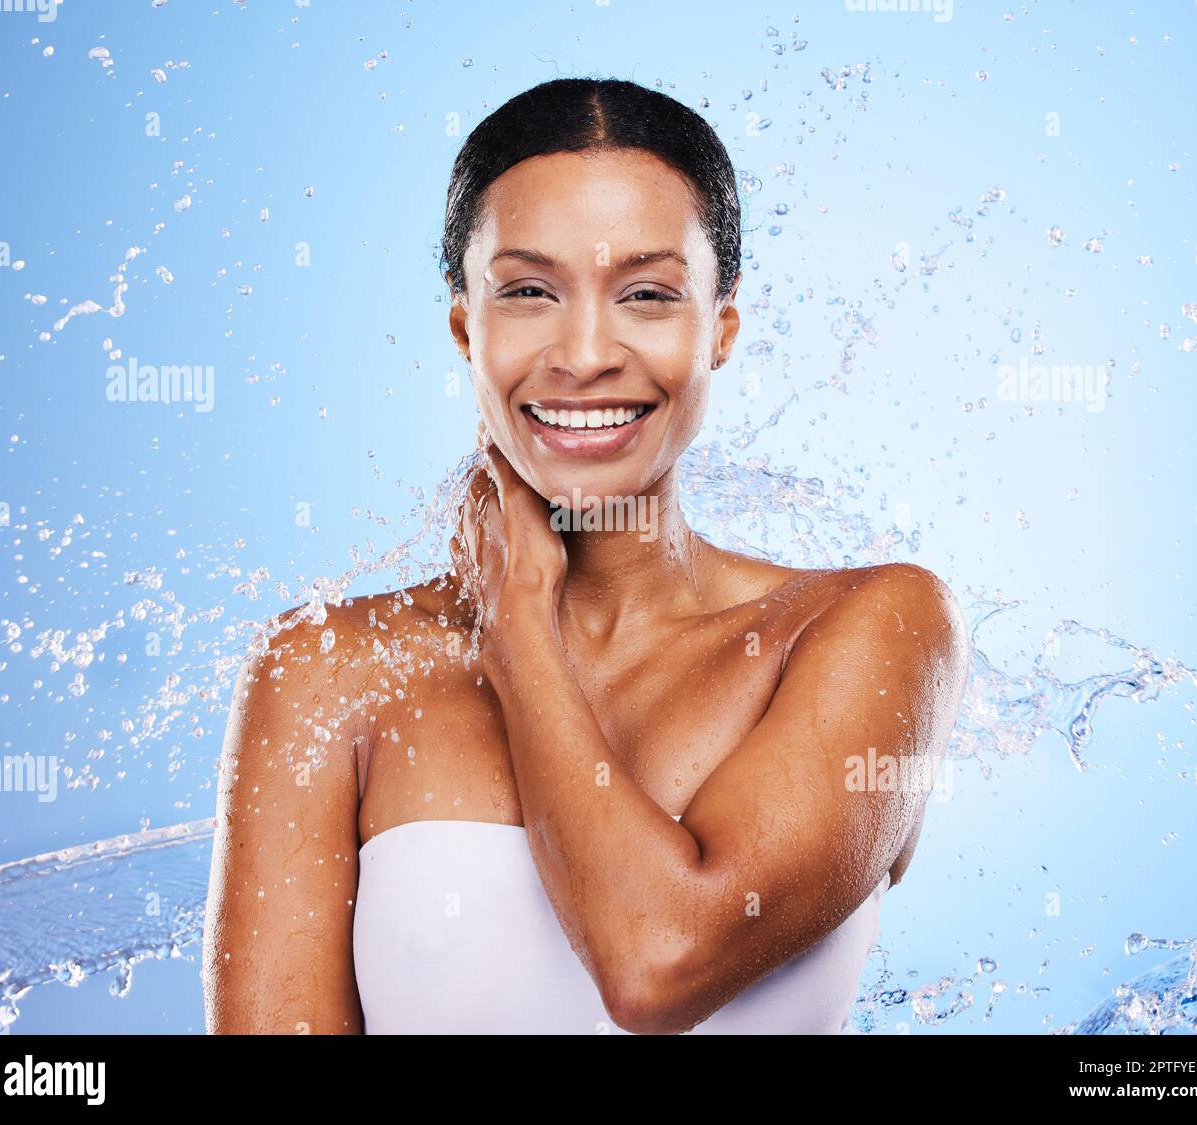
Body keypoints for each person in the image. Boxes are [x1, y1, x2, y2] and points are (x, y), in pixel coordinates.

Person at [202, 77, 969, 1035]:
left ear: (718, 327)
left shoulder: (869, 628)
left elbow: (659, 964)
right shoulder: (324, 677)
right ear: (464, 328)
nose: (585, 352)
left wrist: (519, 628)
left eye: (647, 295)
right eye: (528, 292)